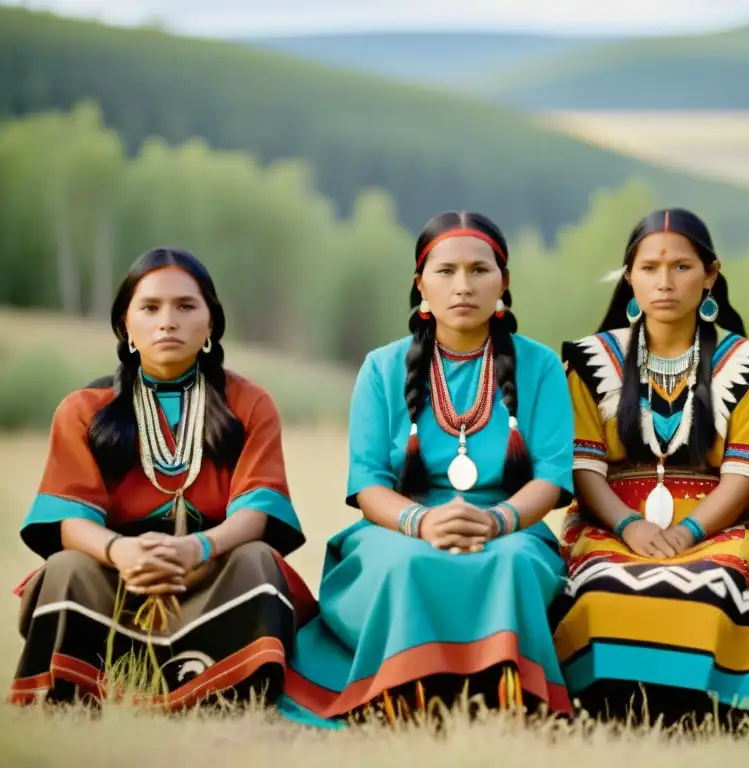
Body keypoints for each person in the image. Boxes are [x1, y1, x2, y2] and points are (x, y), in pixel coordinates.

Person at [276, 211, 574, 728]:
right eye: (446, 271)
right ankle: (405, 697)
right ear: (420, 286)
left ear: (503, 282)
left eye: (480, 271)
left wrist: (497, 521)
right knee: (406, 564)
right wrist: (422, 523)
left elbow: (550, 476)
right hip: (399, 527)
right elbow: (368, 482)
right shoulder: (382, 367)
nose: (463, 285)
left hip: (510, 527)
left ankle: (502, 699)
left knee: (512, 564)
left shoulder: (541, 365)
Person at [9, 247, 315, 708]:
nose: (167, 321)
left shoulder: (249, 403)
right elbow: (70, 521)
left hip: (212, 571)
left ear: (211, 323)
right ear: (126, 327)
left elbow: (257, 509)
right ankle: (79, 693)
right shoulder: (83, 409)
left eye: (185, 306)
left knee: (256, 561)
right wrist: (122, 551)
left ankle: (237, 693)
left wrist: (196, 547)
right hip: (118, 576)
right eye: (149, 308)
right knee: (66, 568)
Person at [551, 209, 749, 725]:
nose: (665, 282)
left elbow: (745, 476)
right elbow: (585, 469)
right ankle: (606, 708)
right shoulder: (590, 360)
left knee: (713, 582)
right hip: (609, 519)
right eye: (650, 268)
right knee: (600, 584)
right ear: (629, 277)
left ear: (711, 275)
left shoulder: (748, 362)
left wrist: (687, 532)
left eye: (682, 267)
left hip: (718, 522)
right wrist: (627, 524)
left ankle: (707, 711)